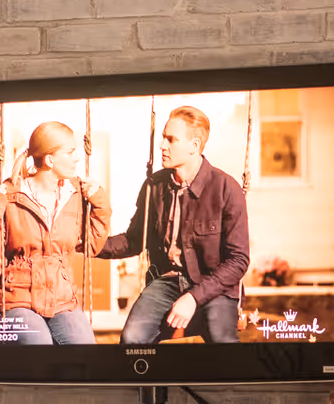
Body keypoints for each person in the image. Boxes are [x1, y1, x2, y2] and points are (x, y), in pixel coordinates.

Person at [99, 106, 249, 345]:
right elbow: (135, 240)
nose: (162, 146)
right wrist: (90, 244)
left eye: (171, 139)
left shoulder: (226, 189)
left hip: (214, 286)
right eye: (163, 138)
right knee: (132, 341)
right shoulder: (154, 187)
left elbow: (238, 260)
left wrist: (193, 297)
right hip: (167, 283)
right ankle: (151, 384)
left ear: (195, 145)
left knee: (223, 345)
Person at [0, 121, 107, 345]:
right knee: (39, 347)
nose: (77, 158)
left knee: (87, 352)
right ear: (50, 160)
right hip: (17, 298)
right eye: (71, 152)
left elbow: (92, 247)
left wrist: (100, 206)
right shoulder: (11, 195)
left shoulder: (76, 194)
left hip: (62, 298)